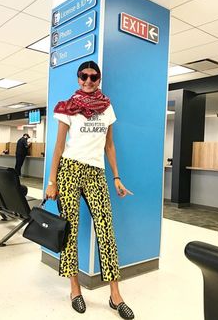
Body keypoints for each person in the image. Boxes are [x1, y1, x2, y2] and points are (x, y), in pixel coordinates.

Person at [45, 60, 135, 319]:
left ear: (99, 80)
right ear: (78, 78)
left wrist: (116, 177)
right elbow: (59, 148)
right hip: (70, 170)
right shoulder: (67, 107)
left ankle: (115, 295)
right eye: (83, 76)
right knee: (69, 230)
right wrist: (52, 182)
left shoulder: (107, 108)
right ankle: (75, 290)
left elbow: (110, 146)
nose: (87, 81)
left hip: (96, 172)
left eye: (93, 77)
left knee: (106, 229)